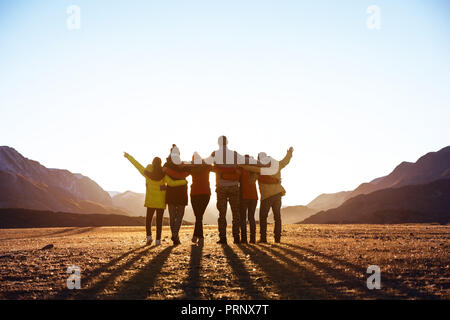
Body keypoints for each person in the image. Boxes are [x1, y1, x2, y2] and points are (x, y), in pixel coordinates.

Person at [124, 152, 187, 245]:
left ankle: (149, 237)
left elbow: (137, 165)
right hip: (161, 201)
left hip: (150, 201)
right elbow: (172, 183)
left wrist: (128, 156)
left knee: (149, 220)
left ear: (153, 164)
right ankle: (158, 240)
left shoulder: (147, 173)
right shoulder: (163, 174)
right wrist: (183, 181)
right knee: (159, 221)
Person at [239, 147, 293, 243]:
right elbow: (285, 161)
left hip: (266, 196)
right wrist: (289, 153)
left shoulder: (260, 169)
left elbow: (250, 171)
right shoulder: (277, 165)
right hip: (277, 194)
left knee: (263, 218)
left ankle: (263, 239)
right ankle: (277, 239)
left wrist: (242, 166)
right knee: (277, 217)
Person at [205, 136, 245, 244]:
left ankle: (223, 238)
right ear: (227, 142)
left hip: (221, 187)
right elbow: (245, 162)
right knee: (236, 213)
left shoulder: (215, 154)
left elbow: (207, 164)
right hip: (234, 186)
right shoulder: (234, 154)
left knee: (221, 214)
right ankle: (236, 238)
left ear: (218, 143)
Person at [163, 144, 190, 245]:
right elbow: (187, 173)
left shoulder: (166, 165)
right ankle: (175, 235)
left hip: (171, 193)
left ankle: (175, 235)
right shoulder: (182, 164)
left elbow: (162, 176)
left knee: (172, 216)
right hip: (181, 193)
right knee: (179, 216)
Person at [187, 152, 212, 246]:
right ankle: (196, 236)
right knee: (199, 216)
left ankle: (200, 237)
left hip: (195, 193)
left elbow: (182, 170)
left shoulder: (191, 167)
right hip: (206, 193)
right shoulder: (207, 166)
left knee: (198, 216)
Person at [239, 155, 259, 244]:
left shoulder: (242, 170)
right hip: (254, 197)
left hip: (244, 196)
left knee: (243, 218)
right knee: (251, 218)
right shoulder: (254, 170)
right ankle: (253, 239)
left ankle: (244, 239)